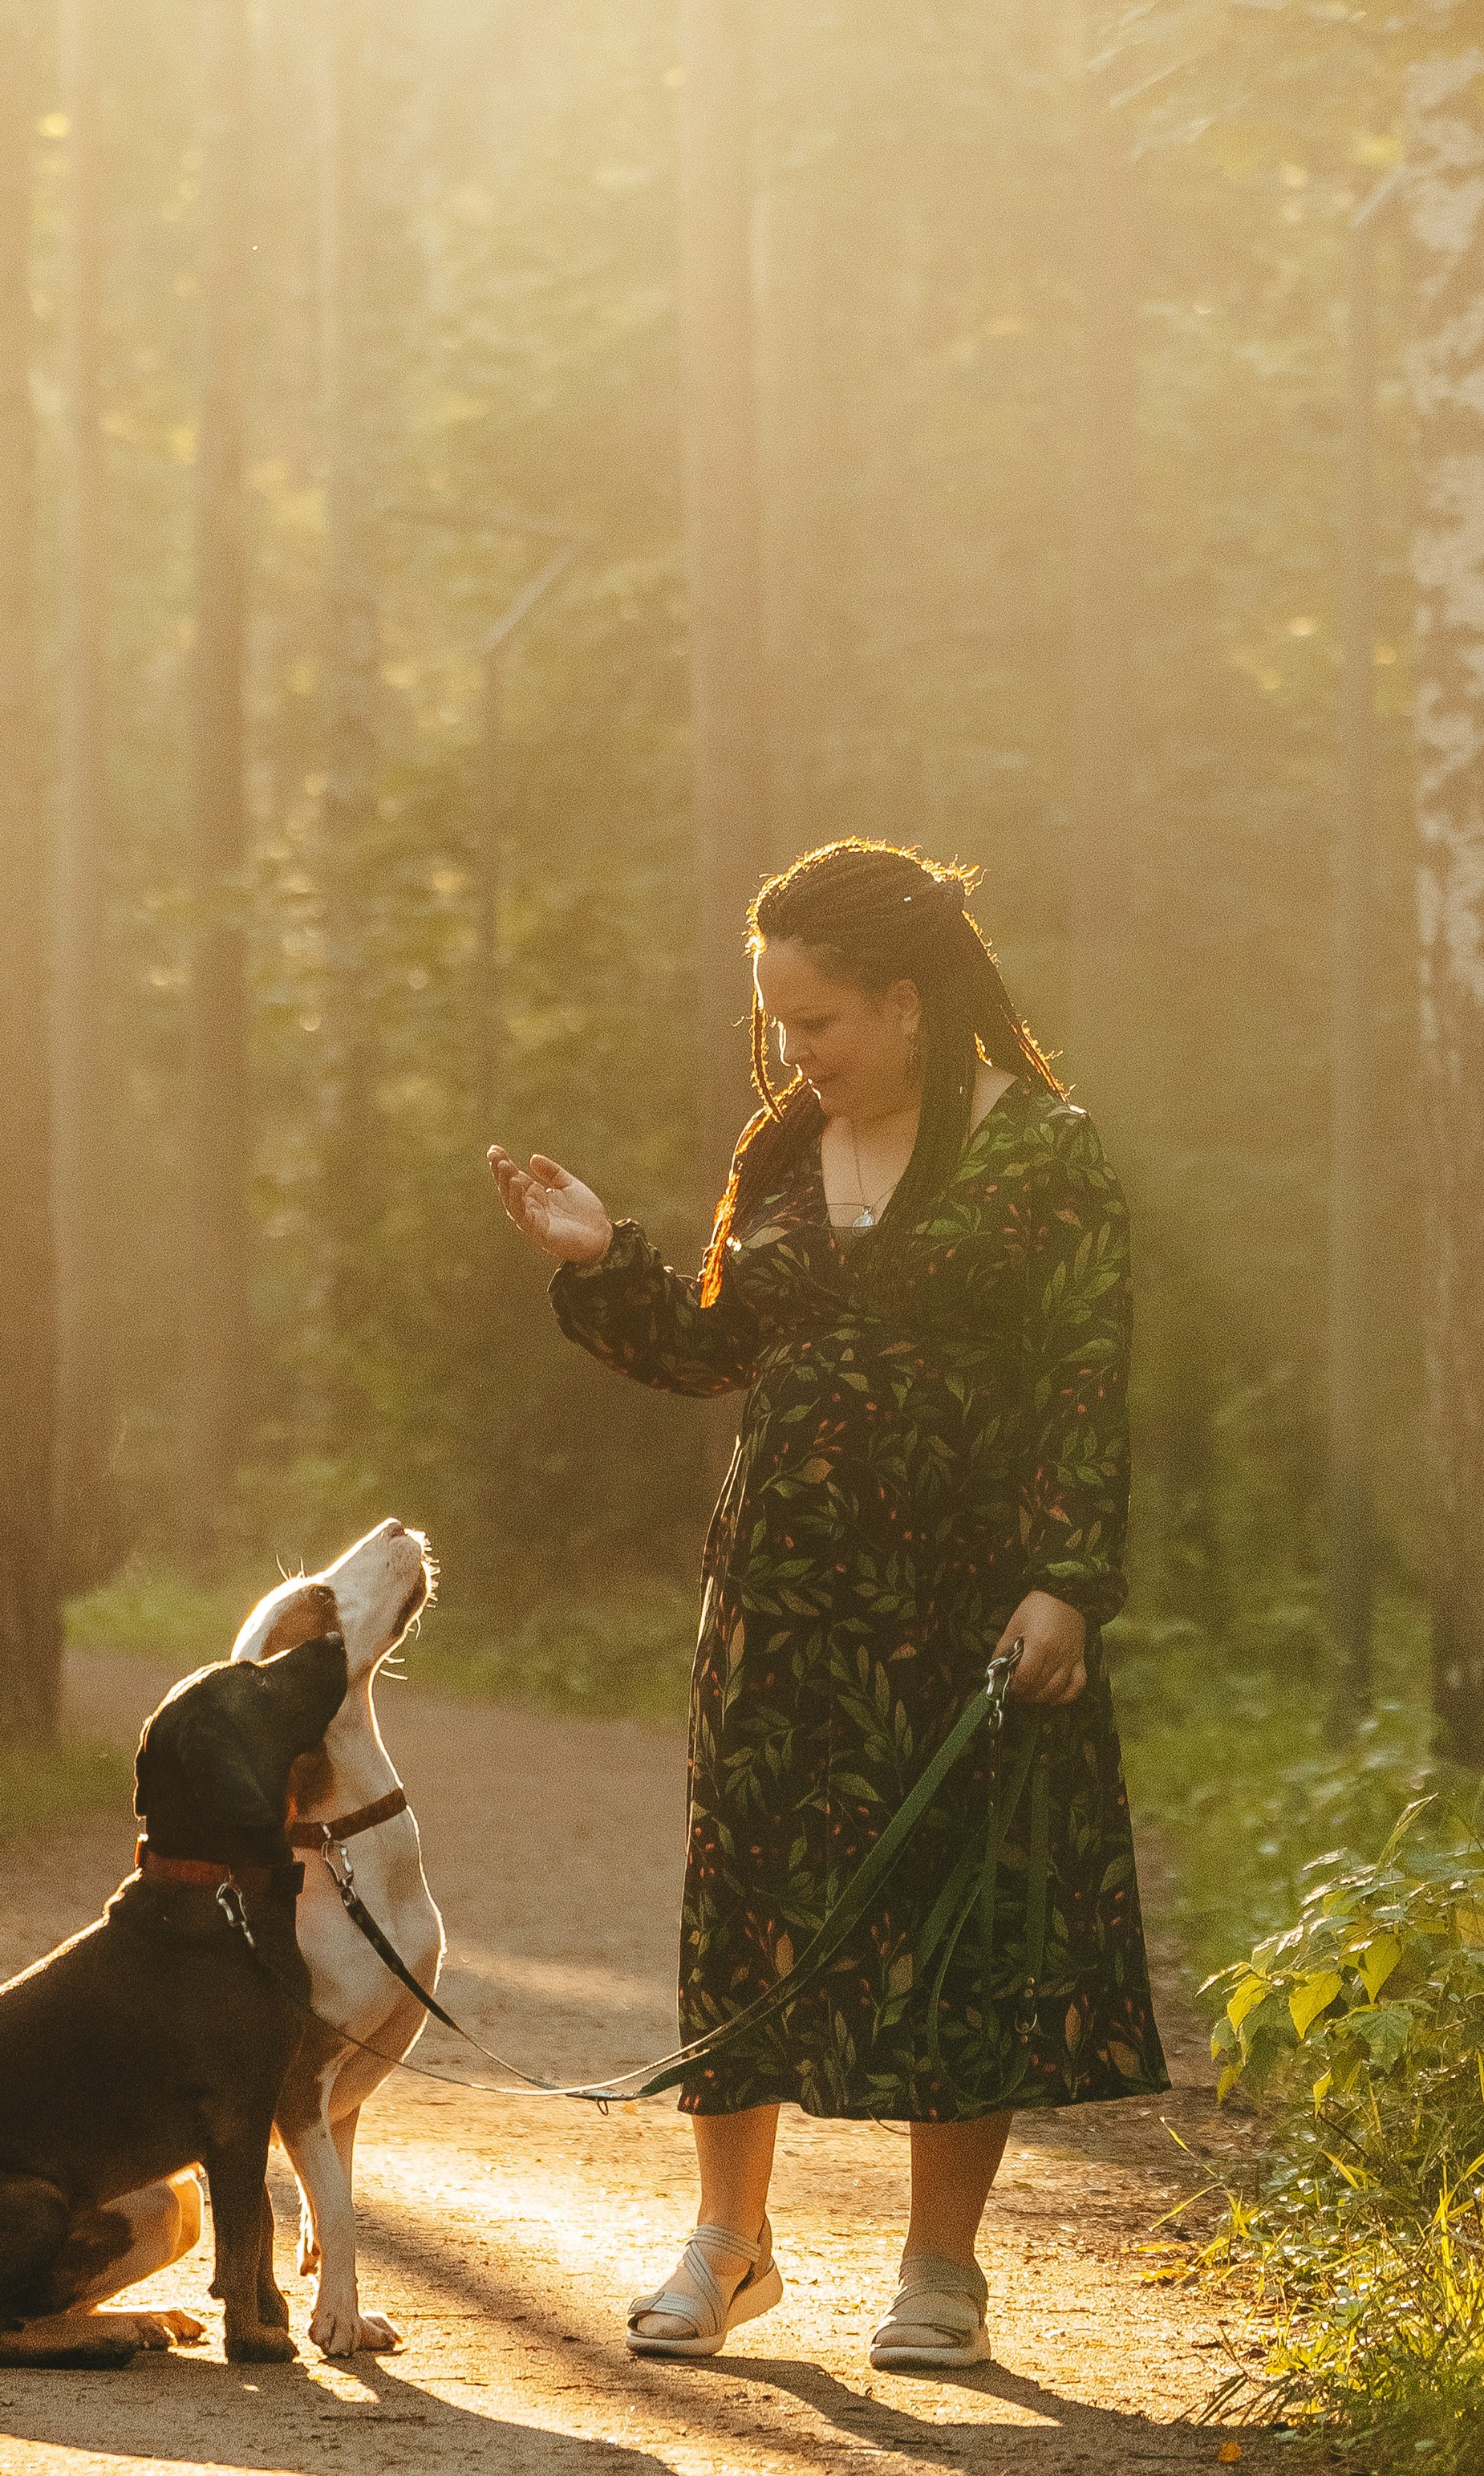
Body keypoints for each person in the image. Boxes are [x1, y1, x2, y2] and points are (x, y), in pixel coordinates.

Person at [487, 838, 1169, 2371]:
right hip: (778, 1606)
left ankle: (941, 2269)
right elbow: (718, 1348)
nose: (794, 1054)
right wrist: (605, 1261)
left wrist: (1067, 1578)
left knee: (960, 1910)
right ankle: (728, 2247)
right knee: (744, 1904)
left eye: (821, 1023)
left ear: (909, 1002)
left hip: (968, 1607)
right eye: (782, 1026)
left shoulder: (1045, 1150)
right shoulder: (785, 1151)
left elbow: (1084, 1381)